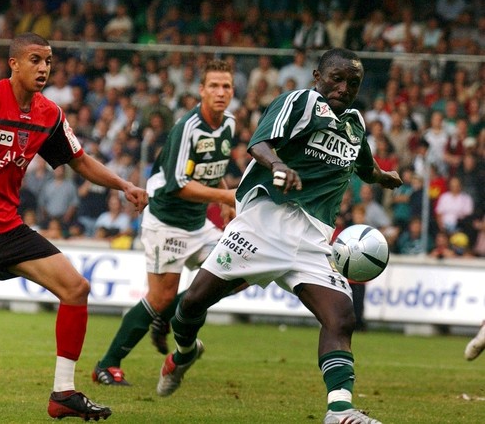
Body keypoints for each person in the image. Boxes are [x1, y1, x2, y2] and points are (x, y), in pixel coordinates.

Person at [0, 33, 148, 421]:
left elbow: (80, 161)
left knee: (75, 287)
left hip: (8, 228)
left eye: (48, 61)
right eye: (35, 60)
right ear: (13, 63)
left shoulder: (49, 114)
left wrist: (124, 184)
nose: (44, 68)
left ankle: (63, 394)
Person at [156, 48, 402, 424]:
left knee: (341, 317)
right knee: (191, 305)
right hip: (262, 226)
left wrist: (383, 177)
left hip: (311, 241)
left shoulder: (354, 123)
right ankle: (185, 353)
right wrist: (279, 165)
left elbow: (363, 166)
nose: (344, 87)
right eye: (336, 78)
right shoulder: (301, 101)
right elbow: (259, 144)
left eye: (353, 83)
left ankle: (339, 410)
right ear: (317, 76)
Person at [92, 59, 238, 386]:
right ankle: (107, 364)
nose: (220, 92)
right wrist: (226, 200)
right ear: (201, 90)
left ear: (232, 91)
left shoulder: (228, 124)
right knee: (158, 298)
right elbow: (179, 185)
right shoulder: (187, 127)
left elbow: (212, 170)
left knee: (239, 270)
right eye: (213, 85)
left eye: (226, 86)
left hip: (198, 223)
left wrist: (226, 198)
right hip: (167, 221)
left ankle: (170, 314)